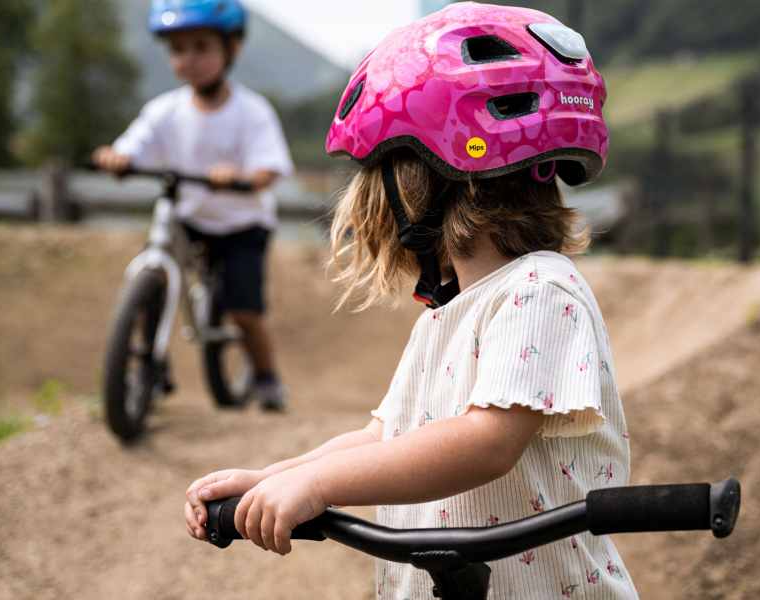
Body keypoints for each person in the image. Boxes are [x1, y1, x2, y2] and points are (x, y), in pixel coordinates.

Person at [184, 3, 636, 598]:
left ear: (430, 178)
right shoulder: (444, 317)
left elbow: (487, 441)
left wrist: (320, 486)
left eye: (382, 169)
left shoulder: (541, 291)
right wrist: (275, 477)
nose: (368, 197)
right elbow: (383, 440)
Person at [93, 0, 293, 411]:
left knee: (243, 311)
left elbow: (268, 169)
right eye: (178, 49)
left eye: (202, 47)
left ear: (231, 49)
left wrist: (241, 177)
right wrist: (118, 158)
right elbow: (134, 147)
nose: (189, 59)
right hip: (189, 218)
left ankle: (267, 378)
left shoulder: (252, 111)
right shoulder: (164, 111)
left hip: (241, 224)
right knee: (155, 270)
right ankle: (149, 362)